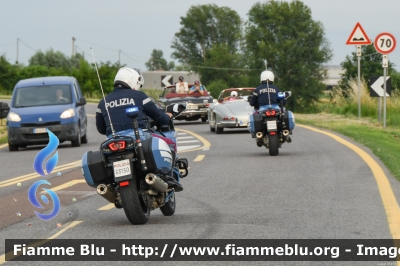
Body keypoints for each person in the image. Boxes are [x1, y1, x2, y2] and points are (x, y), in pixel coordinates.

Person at [96, 67, 182, 191]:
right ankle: (167, 177)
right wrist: (168, 115)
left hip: (112, 141)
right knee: (169, 141)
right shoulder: (139, 96)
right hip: (138, 136)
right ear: (134, 81)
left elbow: (101, 129)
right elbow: (159, 116)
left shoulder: (102, 102)